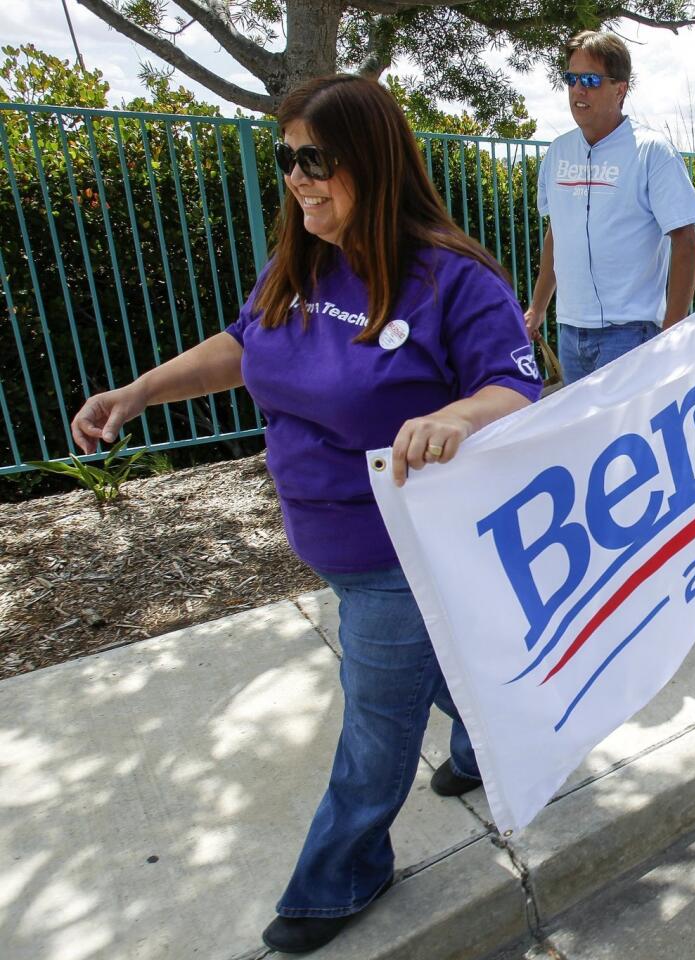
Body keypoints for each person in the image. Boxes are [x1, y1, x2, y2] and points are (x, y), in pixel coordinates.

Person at [69, 76, 543, 954]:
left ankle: (340, 876)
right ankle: (487, 744)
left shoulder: (451, 278)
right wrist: (135, 393)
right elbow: (245, 348)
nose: (295, 176)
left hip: (403, 553)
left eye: (315, 159)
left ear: (371, 159)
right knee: (418, 672)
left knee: (374, 719)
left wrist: (455, 416)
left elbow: (518, 387)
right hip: (326, 542)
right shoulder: (305, 256)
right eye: (286, 158)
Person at [523, 31, 695, 384]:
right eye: (571, 79)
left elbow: (685, 241)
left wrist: (671, 332)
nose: (579, 90)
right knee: (586, 437)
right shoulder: (558, 153)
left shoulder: (652, 151)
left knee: (626, 438)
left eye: (590, 80)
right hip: (571, 332)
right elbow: (555, 235)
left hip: (630, 335)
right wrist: (538, 307)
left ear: (620, 89)